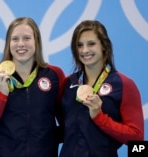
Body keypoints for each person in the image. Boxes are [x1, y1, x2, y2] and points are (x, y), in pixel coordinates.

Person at [0, 17, 65, 157]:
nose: (21, 44)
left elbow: (69, 125)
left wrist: (44, 139)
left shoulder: (54, 74)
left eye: (27, 38)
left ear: (37, 41)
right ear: (8, 43)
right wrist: (2, 94)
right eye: (15, 39)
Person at [59, 20, 144, 157]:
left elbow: (137, 138)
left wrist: (99, 117)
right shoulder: (68, 83)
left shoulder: (123, 84)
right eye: (79, 45)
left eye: (91, 44)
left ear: (104, 46)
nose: (85, 50)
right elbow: (66, 129)